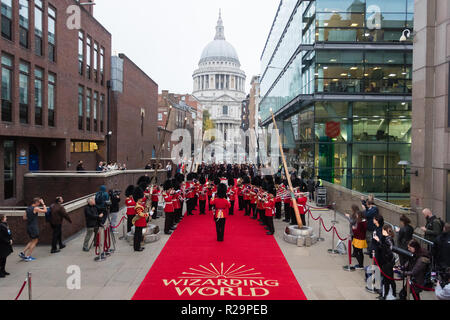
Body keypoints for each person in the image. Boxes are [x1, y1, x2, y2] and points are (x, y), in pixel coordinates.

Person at [374, 225, 396, 300]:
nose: (381, 231)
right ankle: (386, 294)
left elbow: (388, 250)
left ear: (385, 230)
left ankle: (387, 295)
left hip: (387, 263)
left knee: (388, 280)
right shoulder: (386, 238)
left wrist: (378, 241)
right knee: (387, 279)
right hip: (384, 261)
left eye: (383, 230)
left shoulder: (389, 239)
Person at [132, 187, 149, 252]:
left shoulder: (139, 204)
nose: (142, 198)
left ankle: (138, 246)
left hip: (140, 221)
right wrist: (148, 214)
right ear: (139, 198)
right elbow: (141, 214)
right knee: (137, 235)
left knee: (139, 235)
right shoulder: (138, 206)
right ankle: (136, 247)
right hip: (139, 221)